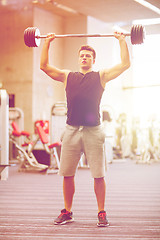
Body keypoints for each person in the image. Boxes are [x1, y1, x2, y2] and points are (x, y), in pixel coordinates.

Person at [40, 31, 130, 227]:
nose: (84, 57)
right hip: (71, 130)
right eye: (81, 55)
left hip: (93, 131)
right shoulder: (67, 76)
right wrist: (47, 42)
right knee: (67, 173)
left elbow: (125, 64)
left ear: (93, 59)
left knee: (98, 174)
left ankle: (101, 212)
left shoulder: (101, 76)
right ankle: (67, 211)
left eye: (88, 55)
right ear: (78, 58)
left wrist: (122, 40)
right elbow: (44, 66)